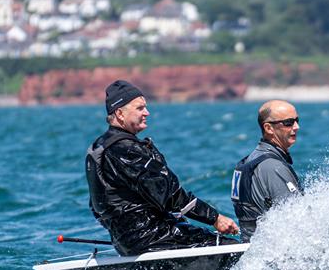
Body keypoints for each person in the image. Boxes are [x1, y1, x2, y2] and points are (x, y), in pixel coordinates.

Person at [86, 79, 238, 255]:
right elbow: (170, 195)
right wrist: (215, 218)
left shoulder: (99, 147)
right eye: (140, 108)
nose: (147, 113)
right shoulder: (127, 149)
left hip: (127, 241)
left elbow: (97, 207)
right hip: (153, 239)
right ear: (120, 113)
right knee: (230, 248)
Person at [231, 100, 303, 241]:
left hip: (251, 245)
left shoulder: (249, 159)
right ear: (269, 128)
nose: (297, 127)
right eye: (289, 122)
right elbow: (296, 220)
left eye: (297, 120)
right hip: (273, 251)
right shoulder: (272, 166)